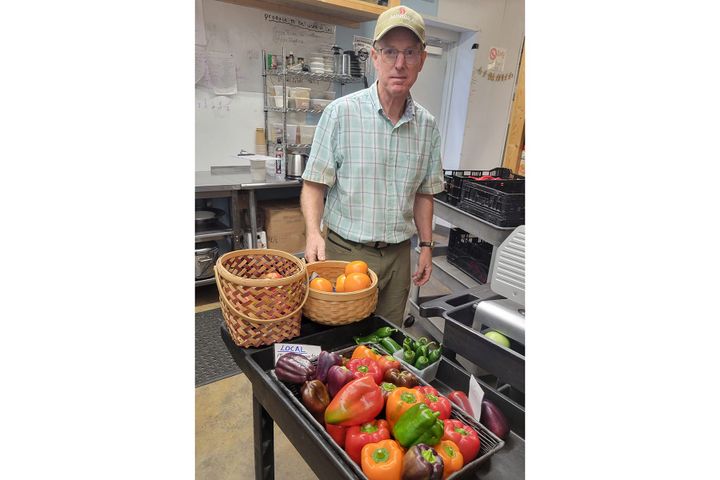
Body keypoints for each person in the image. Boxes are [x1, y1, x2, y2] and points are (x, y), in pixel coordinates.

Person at [300, 5, 444, 326]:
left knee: (386, 338)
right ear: (375, 57)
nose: (400, 63)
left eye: (410, 52)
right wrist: (313, 233)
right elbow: (314, 184)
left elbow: (424, 193)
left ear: (422, 60)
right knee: (338, 339)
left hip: (398, 256)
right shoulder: (340, 113)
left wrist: (426, 246)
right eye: (390, 51)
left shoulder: (427, 126)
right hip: (346, 253)